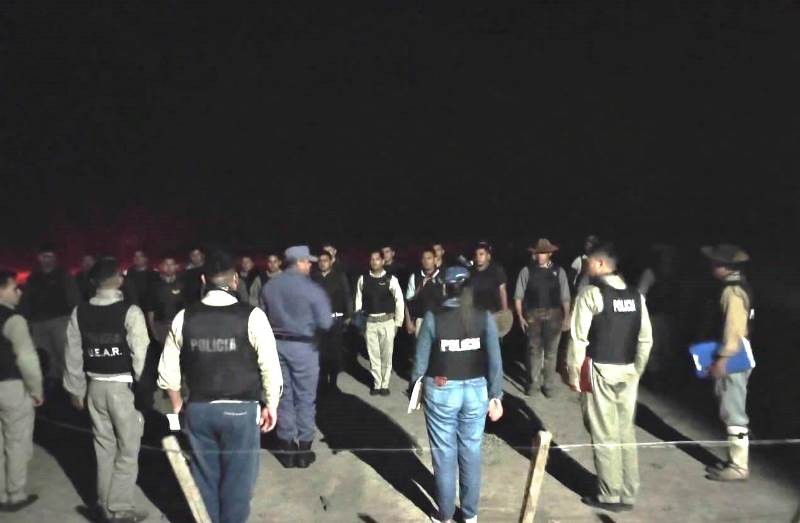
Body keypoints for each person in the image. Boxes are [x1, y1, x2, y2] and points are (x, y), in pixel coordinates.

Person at [157, 251, 283, 523]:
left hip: (199, 409)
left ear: (204, 280)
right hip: (240, 411)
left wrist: (178, 406)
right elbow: (270, 366)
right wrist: (271, 405)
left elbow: (167, 370)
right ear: (235, 280)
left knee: (204, 478)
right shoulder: (252, 316)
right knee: (238, 481)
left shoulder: (184, 317)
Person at [564, 243, 653, 513]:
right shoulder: (636, 296)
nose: (586, 265)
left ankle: (609, 494)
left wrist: (574, 374)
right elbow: (645, 339)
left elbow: (578, 339)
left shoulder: (592, 294)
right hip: (628, 372)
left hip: (600, 370)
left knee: (604, 433)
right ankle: (628, 491)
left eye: (589, 261)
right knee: (625, 432)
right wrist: (637, 370)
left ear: (601, 264)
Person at [411, 266, 504, 523]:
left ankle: (445, 515)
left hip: (442, 390)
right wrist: (496, 395)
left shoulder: (433, 316)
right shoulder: (483, 316)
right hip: (475, 391)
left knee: (444, 454)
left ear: (444, 287)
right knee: (471, 452)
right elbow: (495, 360)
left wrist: (415, 388)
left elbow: (420, 360)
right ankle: (470, 515)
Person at [63, 257, 150, 523]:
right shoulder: (130, 312)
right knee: (128, 449)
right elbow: (140, 353)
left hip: (95, 387)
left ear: (93, 282)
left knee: (103, 448)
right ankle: (119, 509)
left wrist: (76, 390)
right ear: (119, 280)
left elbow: (72, 354)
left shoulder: (79, 312)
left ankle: (104, 505)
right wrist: (141, 389)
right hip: (120, 388)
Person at [261, 246, 331, 469]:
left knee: (283, 396)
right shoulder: (312, 289)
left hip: (276, 346)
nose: (310, 265)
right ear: (299, 262)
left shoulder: (270, 287)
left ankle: (287, 448)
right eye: (307, 261)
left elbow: (261, 317)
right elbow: (326, 323)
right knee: (305, 397)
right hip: (303, 346)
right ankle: (303, 449)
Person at [700, 244, 754, 482]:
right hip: (740, 354)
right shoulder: (741, 285)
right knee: (732, 409)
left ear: (724, 266)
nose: (711, 266)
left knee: (733, 413)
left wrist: (723, 359)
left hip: (734, 357)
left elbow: (734, 329)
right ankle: (735, 460)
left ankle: (739, 466)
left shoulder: (732, 292)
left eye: (714, 263)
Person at [0, 270, 43, 513]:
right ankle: (14, 494)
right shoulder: (13, 320)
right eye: (14, 287)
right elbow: (27, 358)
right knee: (17, 442)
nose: (19, 292)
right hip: (11, 386)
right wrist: (36, 389)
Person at [514, 239, 571, 397]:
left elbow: (565, 296)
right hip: (533, 315)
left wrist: (567, 316)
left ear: (550, 254)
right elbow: (518, 296)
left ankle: (548, 385)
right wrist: (520, 316)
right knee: (534, 351)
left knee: (551, 352)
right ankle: (533, 384)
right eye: (538, 253)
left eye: (543, 253)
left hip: (554, 315)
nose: (540, 256)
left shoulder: (559, 271)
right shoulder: (527, 271)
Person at [18, 244, 80, 387]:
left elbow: (73, 296)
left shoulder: (62, 275)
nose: (48, 260)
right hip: (38, 322)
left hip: (60, 320)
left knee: (64, 353)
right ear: (39, 258)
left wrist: (76, 316)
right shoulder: (34, 278)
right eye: (45, 256)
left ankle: (70, 383)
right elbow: (26, 300)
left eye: (51, 256)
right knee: (46, 356)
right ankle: (54, 384)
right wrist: (24, 318)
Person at [354, 250, 405, 396]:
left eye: (377, 259)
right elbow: (358, 301)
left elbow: (399, 301)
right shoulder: (363, 279)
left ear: (383, 261)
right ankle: (377, 384)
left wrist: (398, 323)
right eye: (372, 259)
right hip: (370, 323)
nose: (374, 261)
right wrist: (359, 322)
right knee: (373, 355)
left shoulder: (390, 279)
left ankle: (385, 384)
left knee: (386, 355)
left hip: (387, 322)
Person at [312, 250, 353, 394]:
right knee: (321, 352)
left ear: (331, 262)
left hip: (335, 320)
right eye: (320, 260)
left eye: (325, 260)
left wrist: (349, 315)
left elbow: (347, 296)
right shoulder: (314, 278)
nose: (322, 263)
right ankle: (323, 382)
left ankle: (333, 382)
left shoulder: (339, 277)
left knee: (334, 352)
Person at [145, 257, 185, 346]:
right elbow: (150, 310)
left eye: (172, 264)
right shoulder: (154, 286)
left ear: (176, 266)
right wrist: (153, 331)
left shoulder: (183, 284)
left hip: (180, 326)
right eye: (166, 264)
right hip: (161, 327)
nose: (169, 267)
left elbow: (188, 308)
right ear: (161, 266)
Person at [404, 248, 444, 336]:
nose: (426, 261)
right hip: (421, 320)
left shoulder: (443, 275)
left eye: (429, 258)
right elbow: (408, 302)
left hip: (440, 319)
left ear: (435, 259)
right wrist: (408, 322)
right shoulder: (415, 277)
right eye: (424, 258)